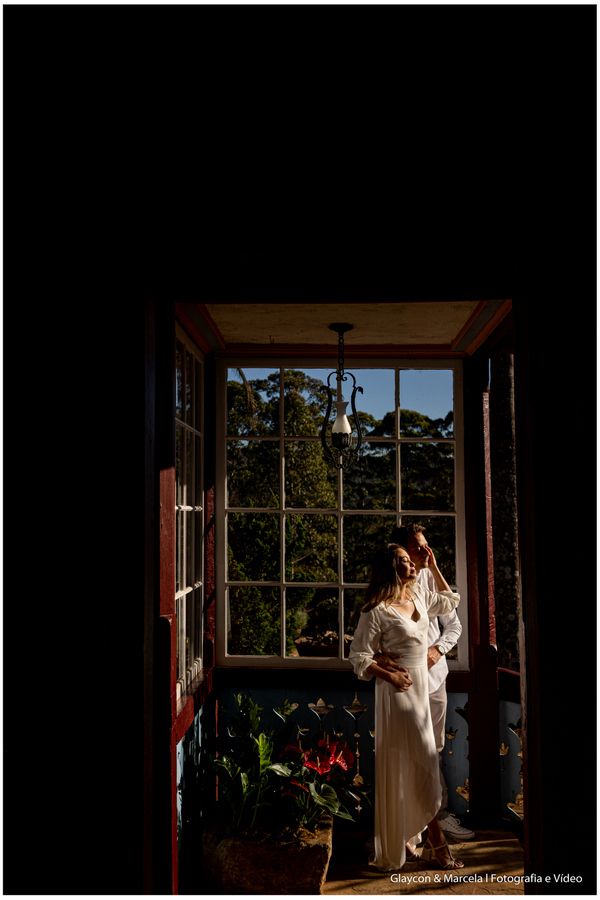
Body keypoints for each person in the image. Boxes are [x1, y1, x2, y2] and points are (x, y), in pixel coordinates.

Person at [348, 543, 465, 872]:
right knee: (423, 761)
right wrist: (386, 673)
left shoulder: (419, 597)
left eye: (412, 562)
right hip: (398, 695)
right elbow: (358, 657)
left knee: (415, 765)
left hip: (421, 691)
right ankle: (438, 843)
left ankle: (407, 838)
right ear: (390, 568)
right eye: (405, 561)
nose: (413, 565)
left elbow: (450, 601)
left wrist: (434, 565)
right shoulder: (376, 610)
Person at [383, 523, 474, 842]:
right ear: (401, 552)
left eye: (425, 545)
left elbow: (455, 625)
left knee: (432, 750)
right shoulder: (389, 586)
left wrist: (438, 650)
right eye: (417, 547)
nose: (424, 551)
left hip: (435, 681)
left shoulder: (433, 581)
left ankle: (439, 815)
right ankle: (404, 827)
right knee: (405, 752)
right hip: (404, 684)